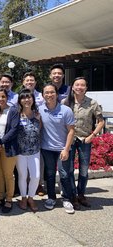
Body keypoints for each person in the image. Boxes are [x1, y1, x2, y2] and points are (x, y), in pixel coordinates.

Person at [63, 77, 104, 209]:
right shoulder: (66, 102)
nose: (79, 87)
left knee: (84, 170)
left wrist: (93, 135)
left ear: (86, 88)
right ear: (73, 87)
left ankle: (81, 194)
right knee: (69, 170)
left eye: (82, 85)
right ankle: (72, 196)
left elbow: (101, 121)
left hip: (85, 139)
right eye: (77, 85)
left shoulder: (92, 103)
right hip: (69, 139)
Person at [39, 83, 75, 214]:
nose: (49, 95)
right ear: (43, 95)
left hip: (62, 149)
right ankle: (51, 198)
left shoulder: (66, 110)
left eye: (52, 92)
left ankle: (66, 199)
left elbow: (71, 131)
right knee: (49, 174)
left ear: (57, 94)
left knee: (64, 174)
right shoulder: (40, 110)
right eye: (46, 93)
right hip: (46, 148)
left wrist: (66, 149)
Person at [0, 88, 19, 213]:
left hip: (8, 147)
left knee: (8, 174)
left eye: (3, 96)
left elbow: (14, 129)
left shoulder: (13, 111)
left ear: (7, 98)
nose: (0, 99)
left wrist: (1, 142)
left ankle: (8, 199)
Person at [16, 89, 41, 212]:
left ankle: (31, 197)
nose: (26, 100)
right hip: (20, 152)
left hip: (34, 150)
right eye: (24, 98)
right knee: (22, 175)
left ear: (33, 99)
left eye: (29, 97)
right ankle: (24, 198)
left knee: (35, 176)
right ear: (20, 100)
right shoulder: (16, 114)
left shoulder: (37, 114)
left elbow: (40, 130)